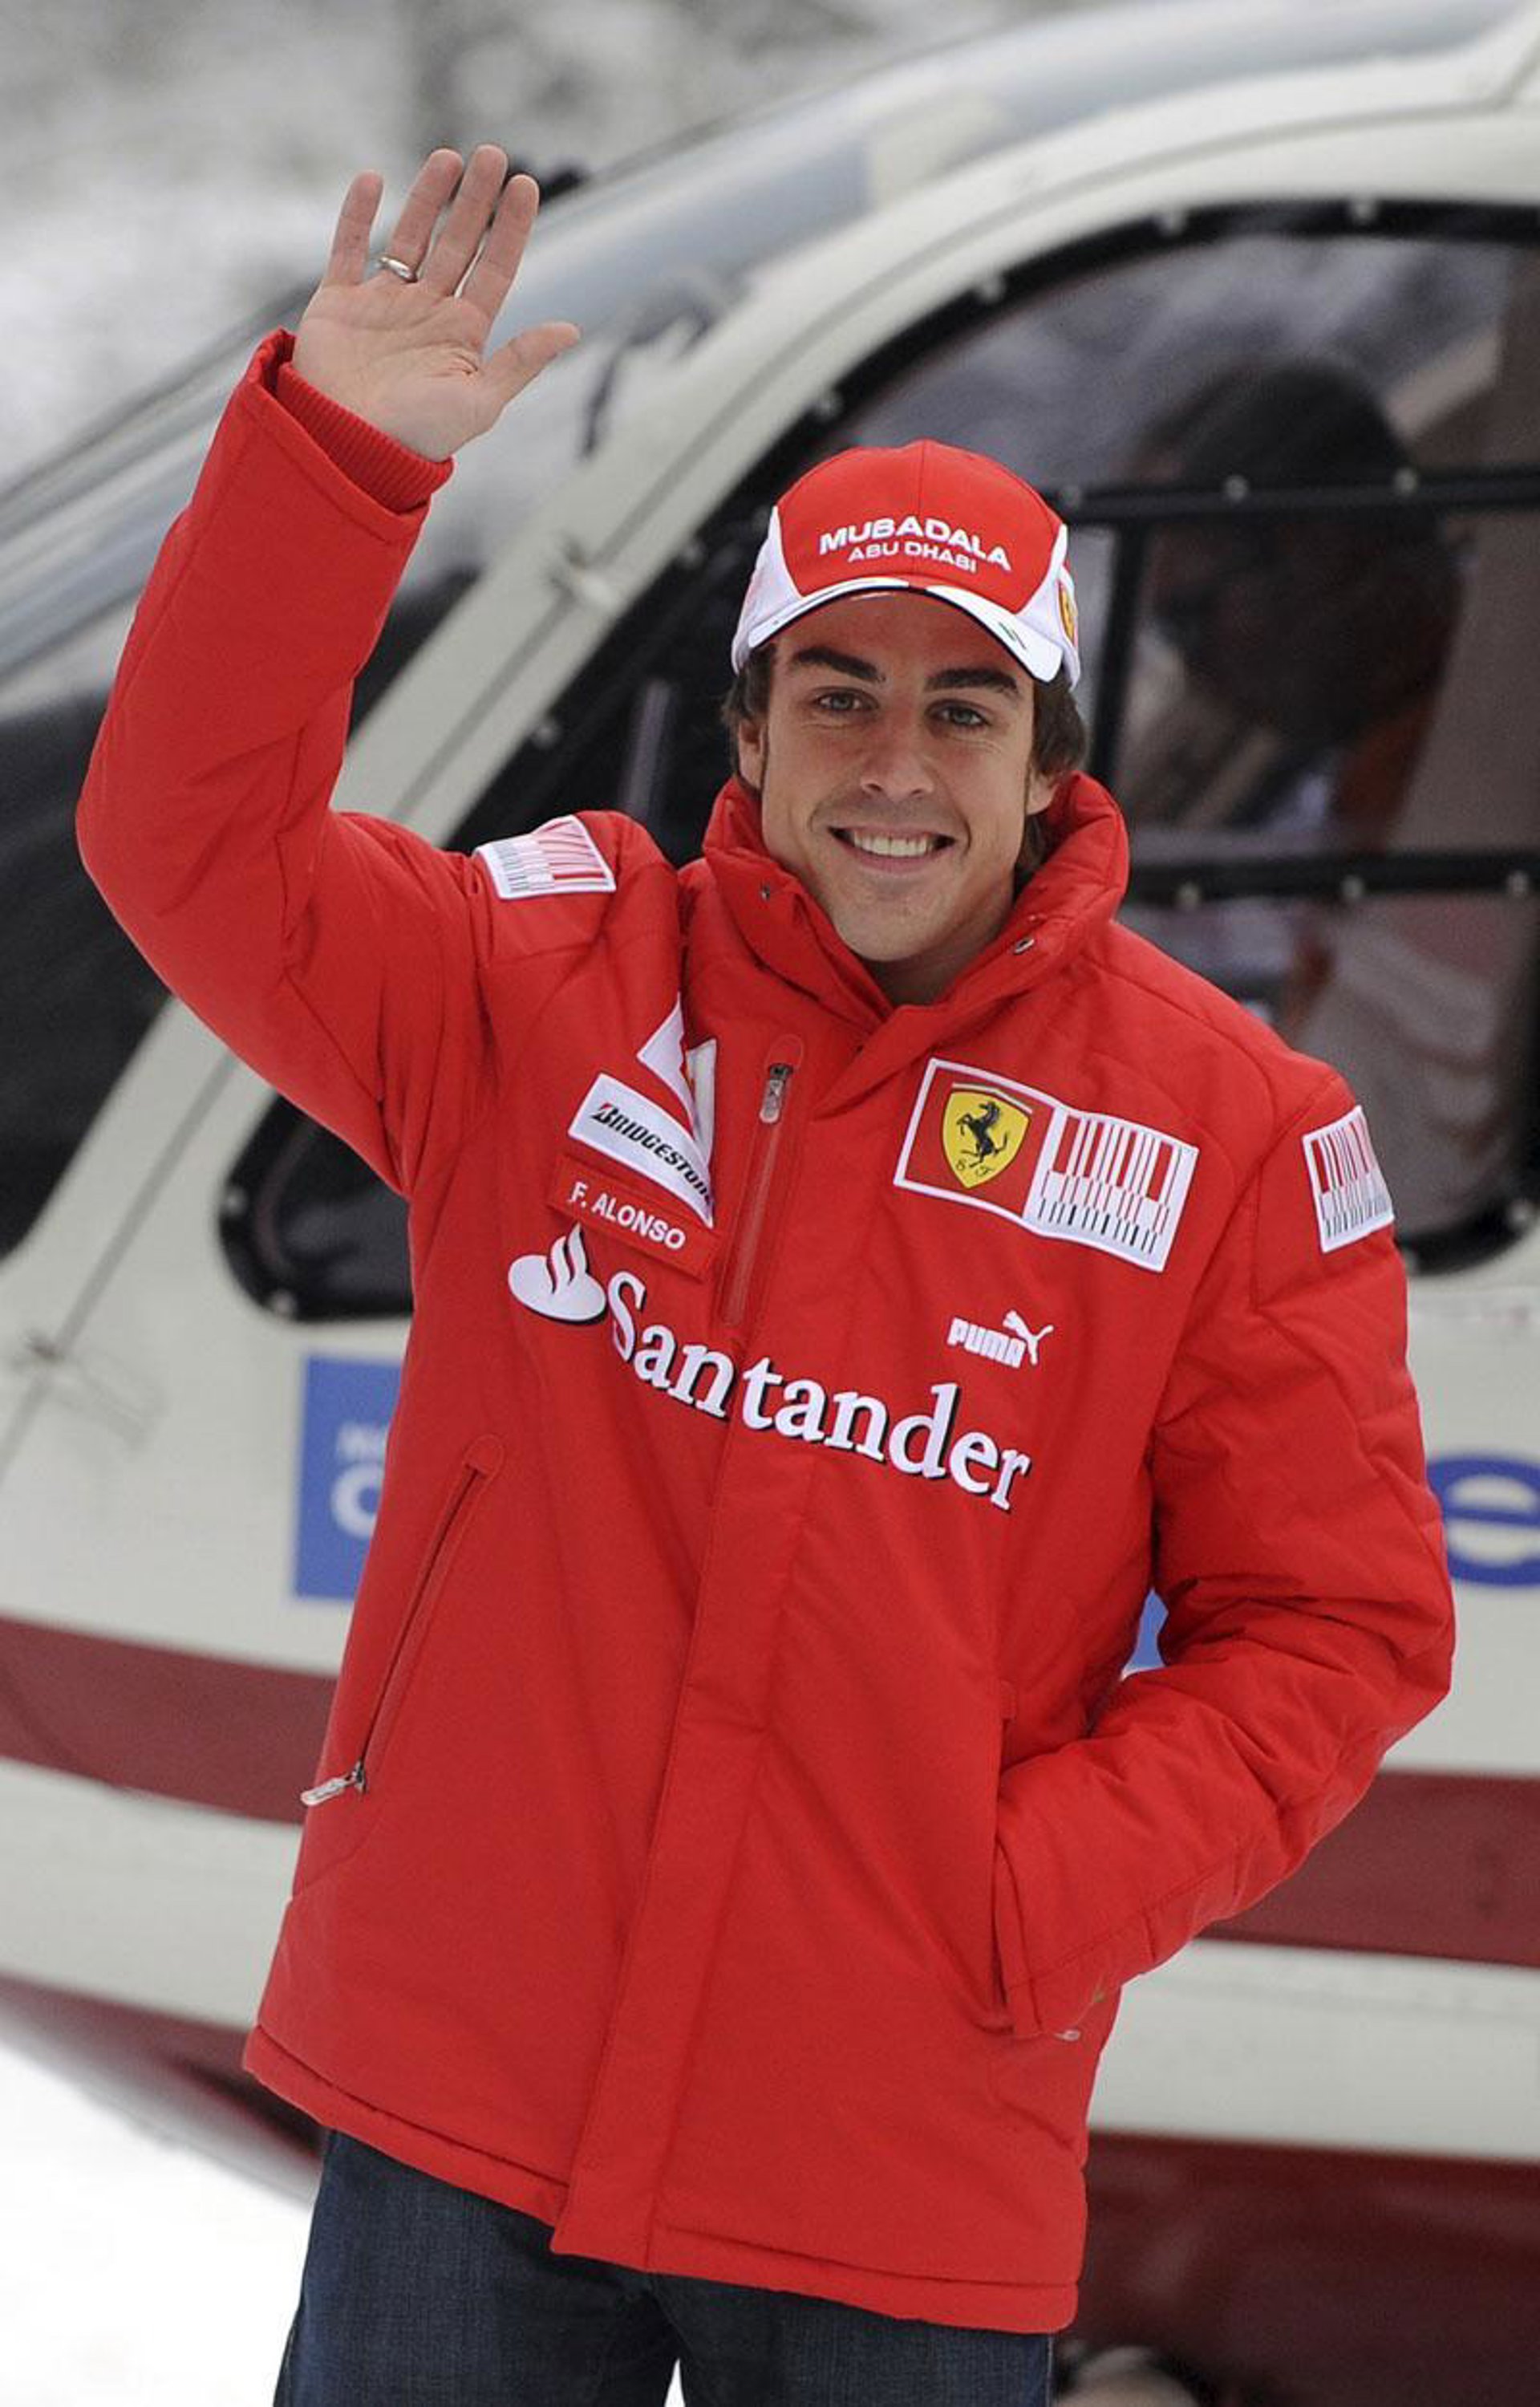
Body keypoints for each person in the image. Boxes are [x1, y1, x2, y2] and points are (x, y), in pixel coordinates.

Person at [76, 148, 1456, 2407]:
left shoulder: (1230, 1133)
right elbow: (186, 840)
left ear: (1051, 765)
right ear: (748, 732)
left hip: (892, 2149)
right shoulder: (543, 988)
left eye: (963, 708)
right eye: (838, 694)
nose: (895, 767)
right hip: (466, 2084)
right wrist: (335, 457)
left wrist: (1014, 1905)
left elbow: (1338, 1626)